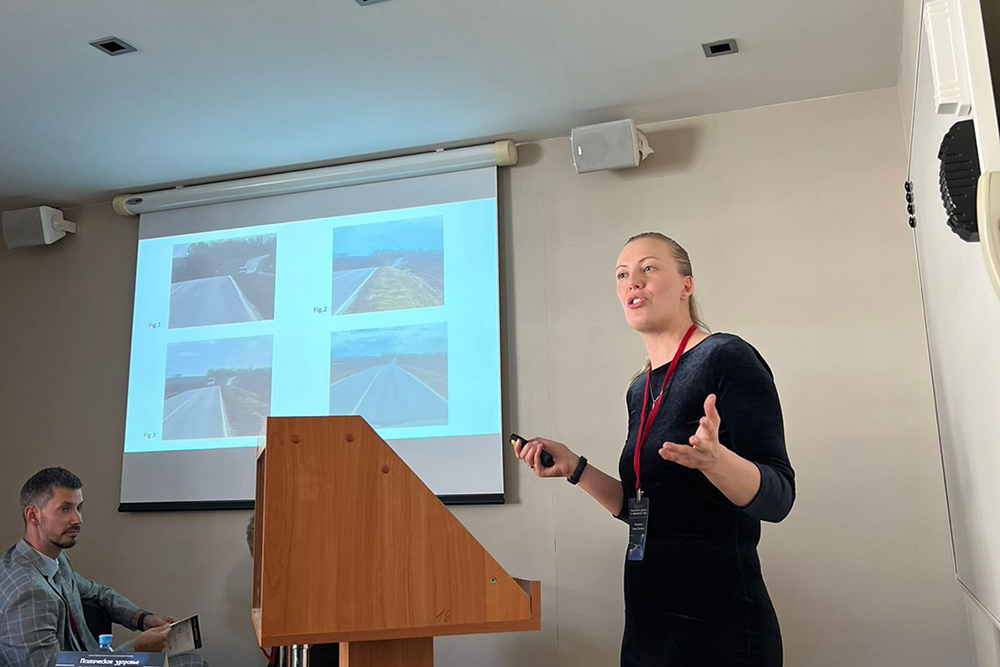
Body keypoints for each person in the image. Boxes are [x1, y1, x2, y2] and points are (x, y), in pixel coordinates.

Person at [515, 232, 795, 667]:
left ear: (686, 284)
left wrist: (717, 461)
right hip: (649, 624)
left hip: (722, 625)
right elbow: (640, 508)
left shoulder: (727, 356)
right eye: (622, 274)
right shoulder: (640, 389)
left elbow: (779, 498)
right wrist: (575, 468)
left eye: (648, 268)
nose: (633, 282)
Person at [0, 467, 207, 666]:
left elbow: (99, 593)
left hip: (92, 659)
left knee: (193, 662)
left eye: (79, 508)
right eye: (65, 509)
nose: (77, 519)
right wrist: (136, 648)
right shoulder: (28, 591)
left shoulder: (56, 560)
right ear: (33, 515)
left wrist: (143, 619)